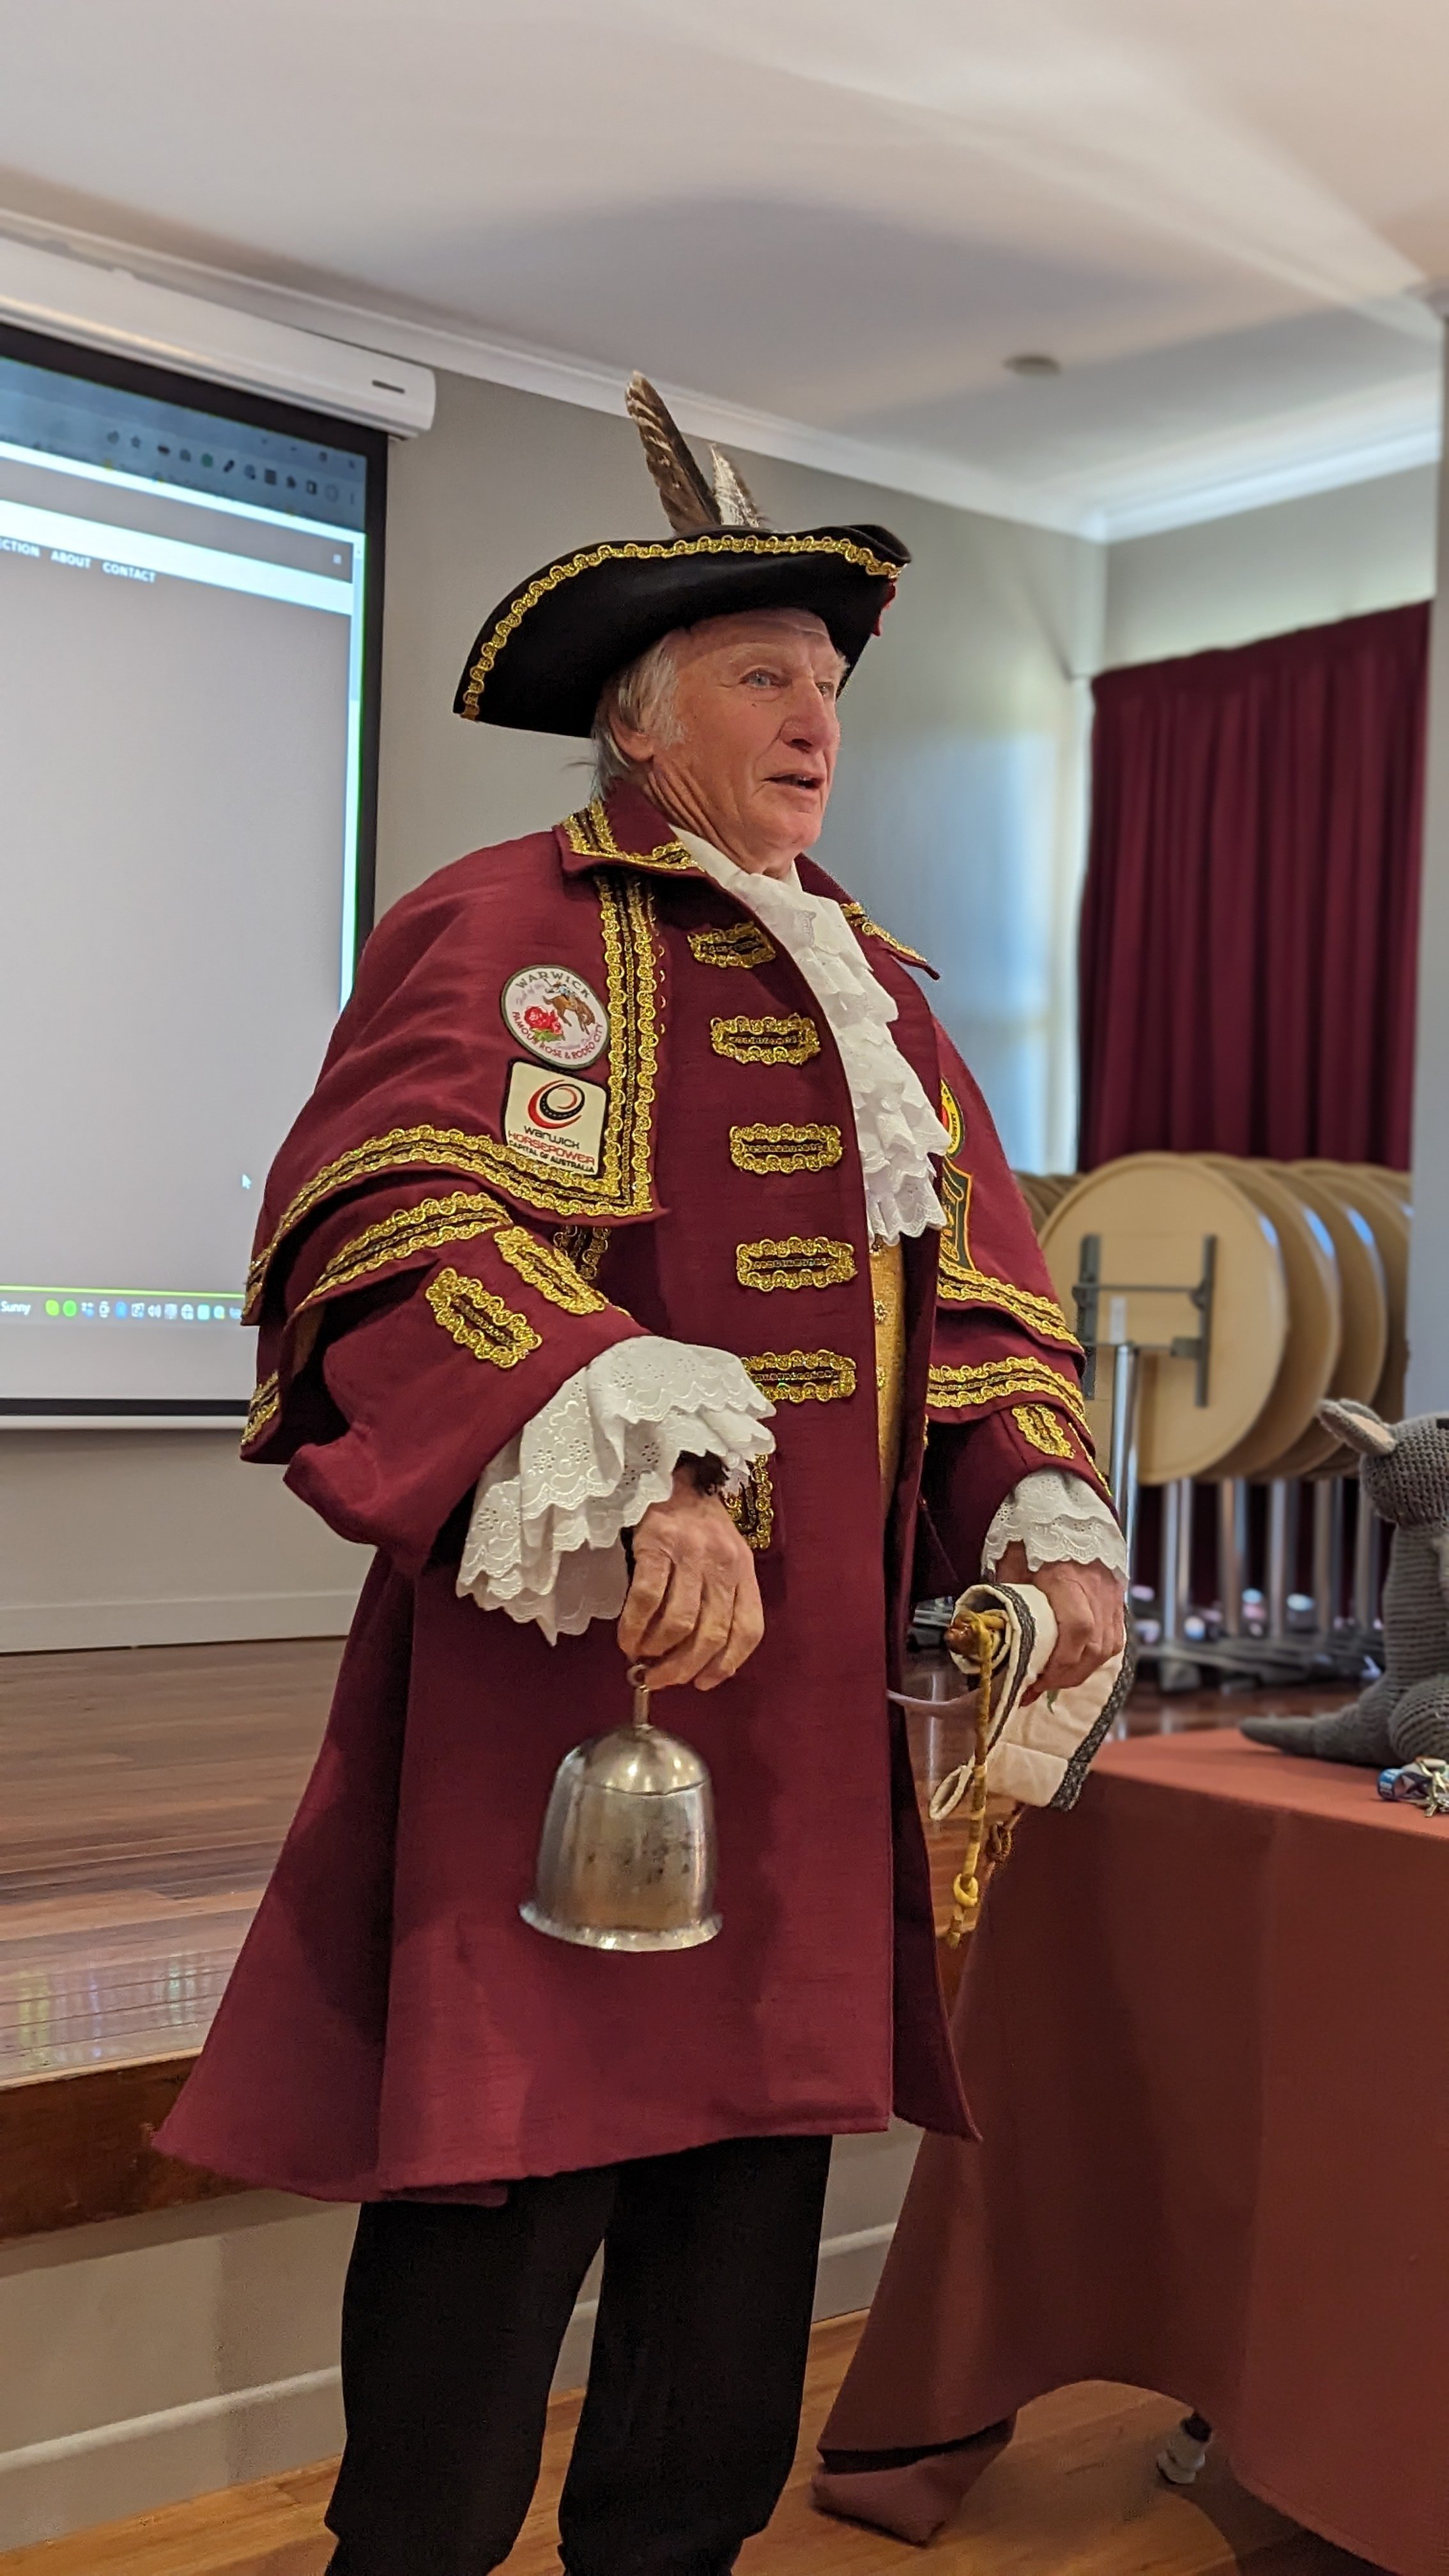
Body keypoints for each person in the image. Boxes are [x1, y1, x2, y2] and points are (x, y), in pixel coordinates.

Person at [158, 378, 1127, 2576]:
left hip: (798, 1709)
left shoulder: (878, 984)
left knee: (749, 2171)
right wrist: (646, 1467)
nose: (816, 721)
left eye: (829, 688)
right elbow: (383, 1218)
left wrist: (1040, 1513)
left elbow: (981, 1297)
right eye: (764, 677)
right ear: (640, 717)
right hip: (557, 1673)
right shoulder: (504, 917)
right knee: (507, 2164)